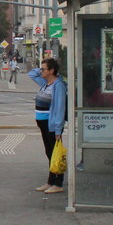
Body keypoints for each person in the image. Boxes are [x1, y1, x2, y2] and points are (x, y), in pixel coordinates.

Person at [27, 57, 68, 194]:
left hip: (52, 125)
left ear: (51, 71)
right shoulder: (45, 83)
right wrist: (41, 69)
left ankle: (58, 183)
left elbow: (60, 108)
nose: (41, 71)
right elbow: (31, 74)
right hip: (44, 124)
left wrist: (58, 128)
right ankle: (50, 181)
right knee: (49, 152)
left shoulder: (58, 86)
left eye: (44, 69)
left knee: (55, 153)